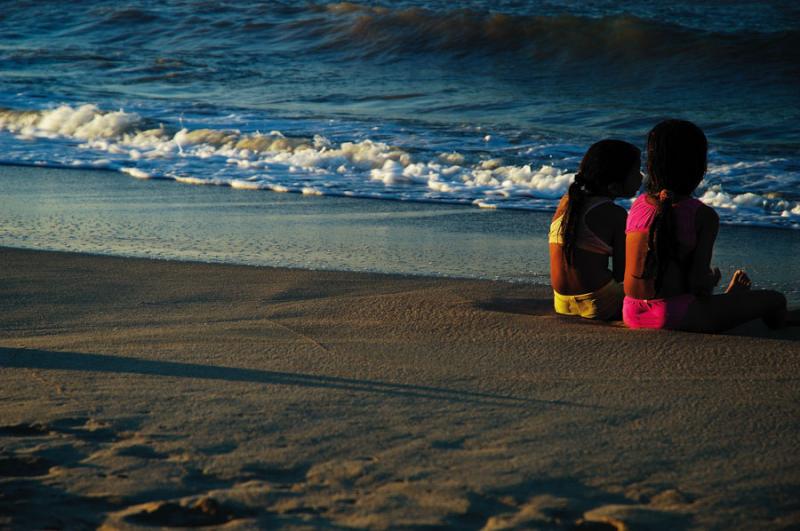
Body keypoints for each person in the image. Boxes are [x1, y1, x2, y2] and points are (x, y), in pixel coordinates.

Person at [623, 119, 793, 332]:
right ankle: (782, 331)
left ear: (652, 164)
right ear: (699, 167)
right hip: (674, 315)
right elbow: (697, 285)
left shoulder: (639, 204)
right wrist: (712, 280)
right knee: (775, 300)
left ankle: (728, 304)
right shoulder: (702, 215)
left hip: (631, 311)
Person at [549, 139, 643, 320]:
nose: (641, 177)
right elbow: (622, 274)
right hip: (601, 302)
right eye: (636, 172)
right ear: (613, 186)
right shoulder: (616, 214)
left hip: (561, 302)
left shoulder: (567, 202)